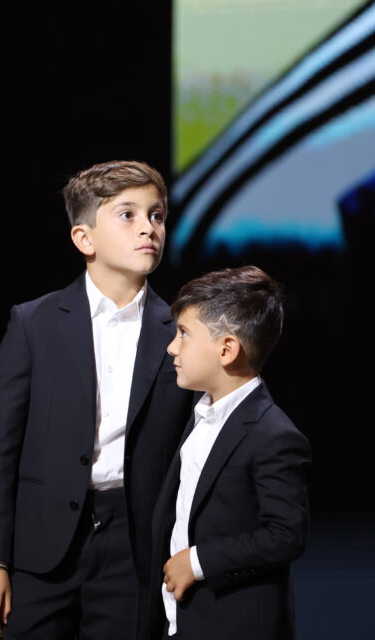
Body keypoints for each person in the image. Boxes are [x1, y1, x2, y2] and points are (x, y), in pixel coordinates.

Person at [0, 161, 194, 639]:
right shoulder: (34, 323)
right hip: (40, 546)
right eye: (127, 215)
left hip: (135, 547)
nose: (148, 228)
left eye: (157, 215)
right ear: (84, 239)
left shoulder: (181, 330)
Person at [149, 266, 310, 639]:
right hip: (180, 621)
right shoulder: (199, 413)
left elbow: (286, 535)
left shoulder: (274, 435)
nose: (172, 346)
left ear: (227, 349)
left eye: (184, 334)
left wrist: (199, 561)